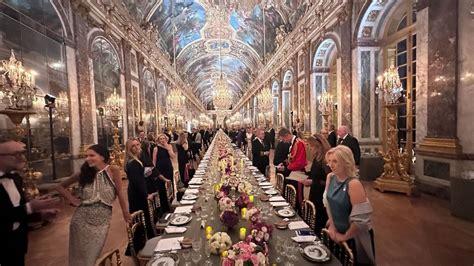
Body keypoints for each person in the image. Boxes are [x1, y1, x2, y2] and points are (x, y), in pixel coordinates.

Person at [56, 144, 131, 266]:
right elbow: (60, 187)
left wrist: (125, 213)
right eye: (86, 156)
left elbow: (120, 194)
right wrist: (73, 199)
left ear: (102, 156)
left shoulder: (113, 170)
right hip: (80, 221)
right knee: (80, 260)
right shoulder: (83, 173)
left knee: (93, 256)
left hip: (102, 220)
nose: (87, 158)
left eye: (91, 155)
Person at [0, 135, 60, 266]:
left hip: (17, 244)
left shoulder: (15, 178)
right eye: (16, 154)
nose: (23, 158)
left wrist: (39, 215)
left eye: (22, 153)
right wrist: (30, 207)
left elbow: (17, 212)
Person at [324, 145, 375, 265]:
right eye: (329, 161)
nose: (331, 165)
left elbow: (361, 220)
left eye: (335, 161)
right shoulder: (330, 177)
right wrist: (332, 225)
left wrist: (344, 237)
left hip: (354, 237)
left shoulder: (353, 184)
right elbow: (328, 203)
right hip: (336, 231)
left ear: (346, 162)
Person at [124, 138, 154, 238]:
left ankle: (146, 238)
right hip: (137, 194)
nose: (137, 147)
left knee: (144, 217)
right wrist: (146, 194)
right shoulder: (133, 163)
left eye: (137, 144)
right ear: (129, 149)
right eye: (133, 146)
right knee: (141, 218)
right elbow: (138, 182)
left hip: (137, 191)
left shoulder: (136, 160)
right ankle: (141, 241)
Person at [303, 135, 331, 236]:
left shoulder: (325, 161)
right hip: (315, 192)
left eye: (311, 146)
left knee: (320, 219)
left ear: (318, 146)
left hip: (322, 195)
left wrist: (312, 182)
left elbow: (329, 181)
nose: (310, 149)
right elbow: (314, 174)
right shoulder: (316, 158)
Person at [152, 133, 176, 213]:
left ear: (166, 139)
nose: (162, 140)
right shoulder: (156, 148)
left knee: (170, 186)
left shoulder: (169, 146)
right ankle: (164, 207)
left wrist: (168, 148)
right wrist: (155, 172)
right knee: (161, 188)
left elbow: (173, 156)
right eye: (160, 139)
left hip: (168, 168)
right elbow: (154, 161)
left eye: (163, 138)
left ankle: (171, 204)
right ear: (158, 140)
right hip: (160, 170)